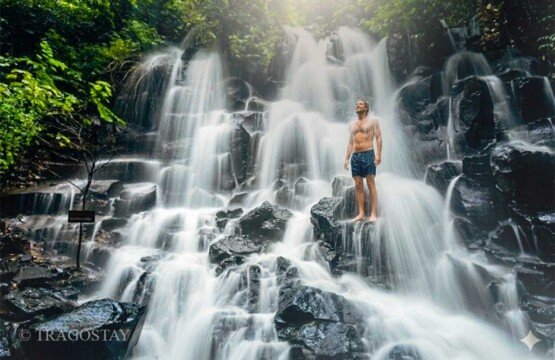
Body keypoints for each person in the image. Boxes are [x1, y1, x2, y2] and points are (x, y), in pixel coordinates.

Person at [343, 99, 382, 222]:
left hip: (368, 153)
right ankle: (361, 213)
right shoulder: (352, 125)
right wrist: (346, 158)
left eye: (360, 104)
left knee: (370, 183)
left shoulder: (372, 121)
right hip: (355, 156)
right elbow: (350, 143)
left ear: (366, 108)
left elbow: (379, 137)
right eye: (356, 104)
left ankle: (373, 213)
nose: (357, 105)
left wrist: (378, 155)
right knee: (358, 185)